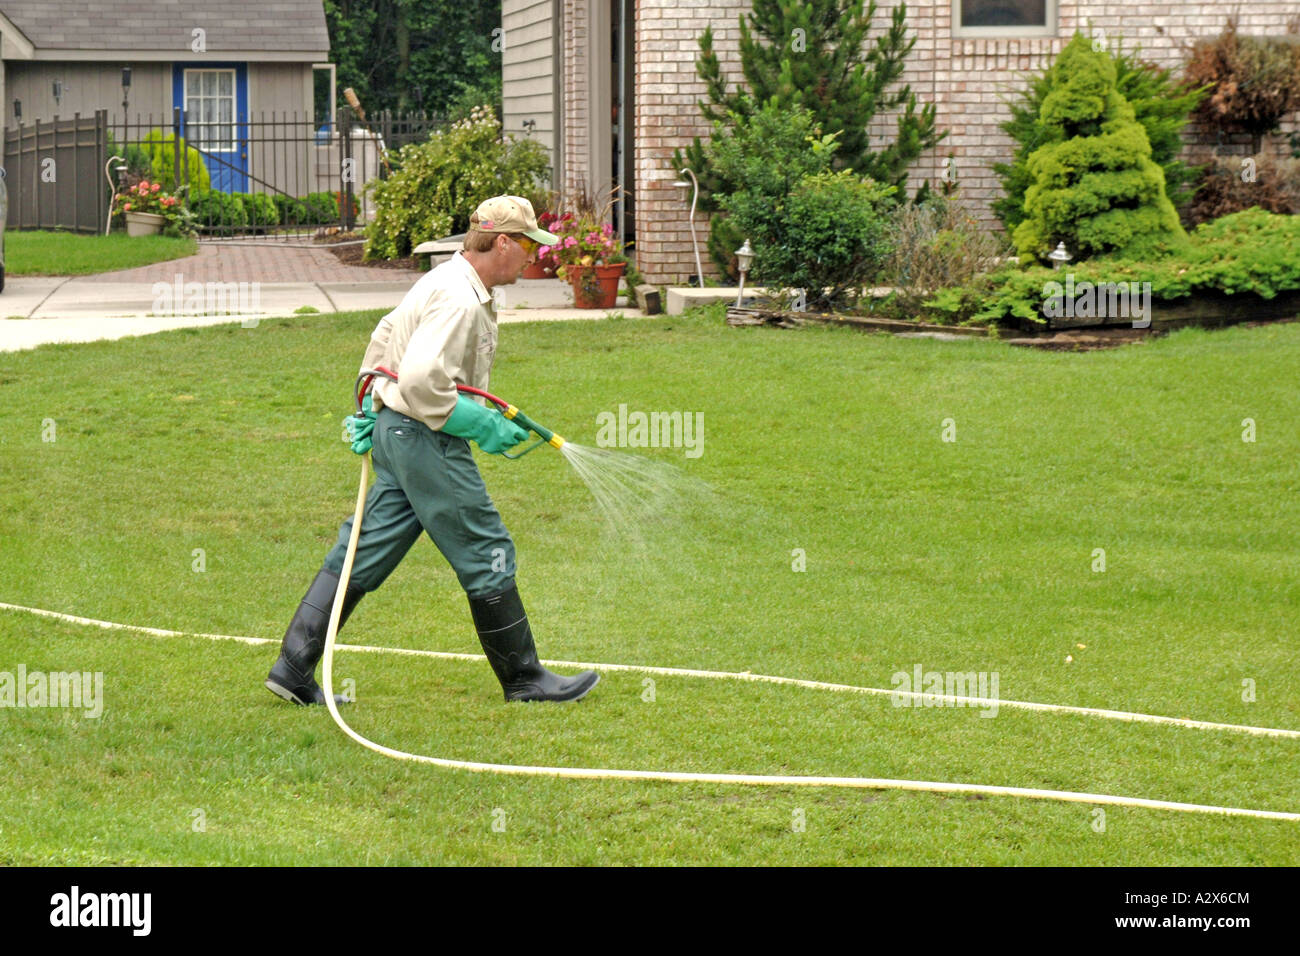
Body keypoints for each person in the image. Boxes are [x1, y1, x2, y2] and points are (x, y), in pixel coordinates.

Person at [265, 195, 600, 706]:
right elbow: (422, 380)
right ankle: (524, 678)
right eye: (529, 244)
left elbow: (386, 334)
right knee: (486, 546)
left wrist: (371, 404)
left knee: (363, 550)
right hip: (426, 439)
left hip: (398, 434)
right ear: (503, 241)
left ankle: (293, 666)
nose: (535, 255)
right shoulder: (460, 299)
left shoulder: (446, 278)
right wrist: (478, 422)